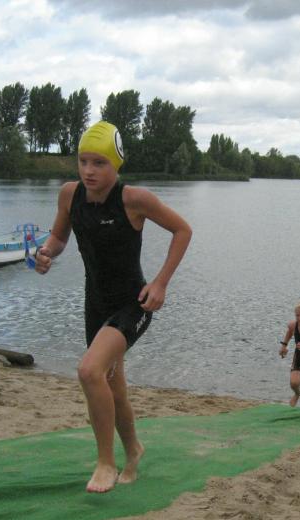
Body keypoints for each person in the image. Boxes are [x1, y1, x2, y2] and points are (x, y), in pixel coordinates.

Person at [34, 121, 192, 493]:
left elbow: (182, 230)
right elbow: (58, 237)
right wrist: (46, 252)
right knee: (111, 386)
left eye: (100, 163)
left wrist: (160, 283)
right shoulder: (69, 195)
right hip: (95, 304)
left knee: (89, 371)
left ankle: (105, 462)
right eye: (83, 161)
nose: (89, 171)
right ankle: (133, 450)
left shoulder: (134, 199)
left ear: (116, 165)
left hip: (132, 304)